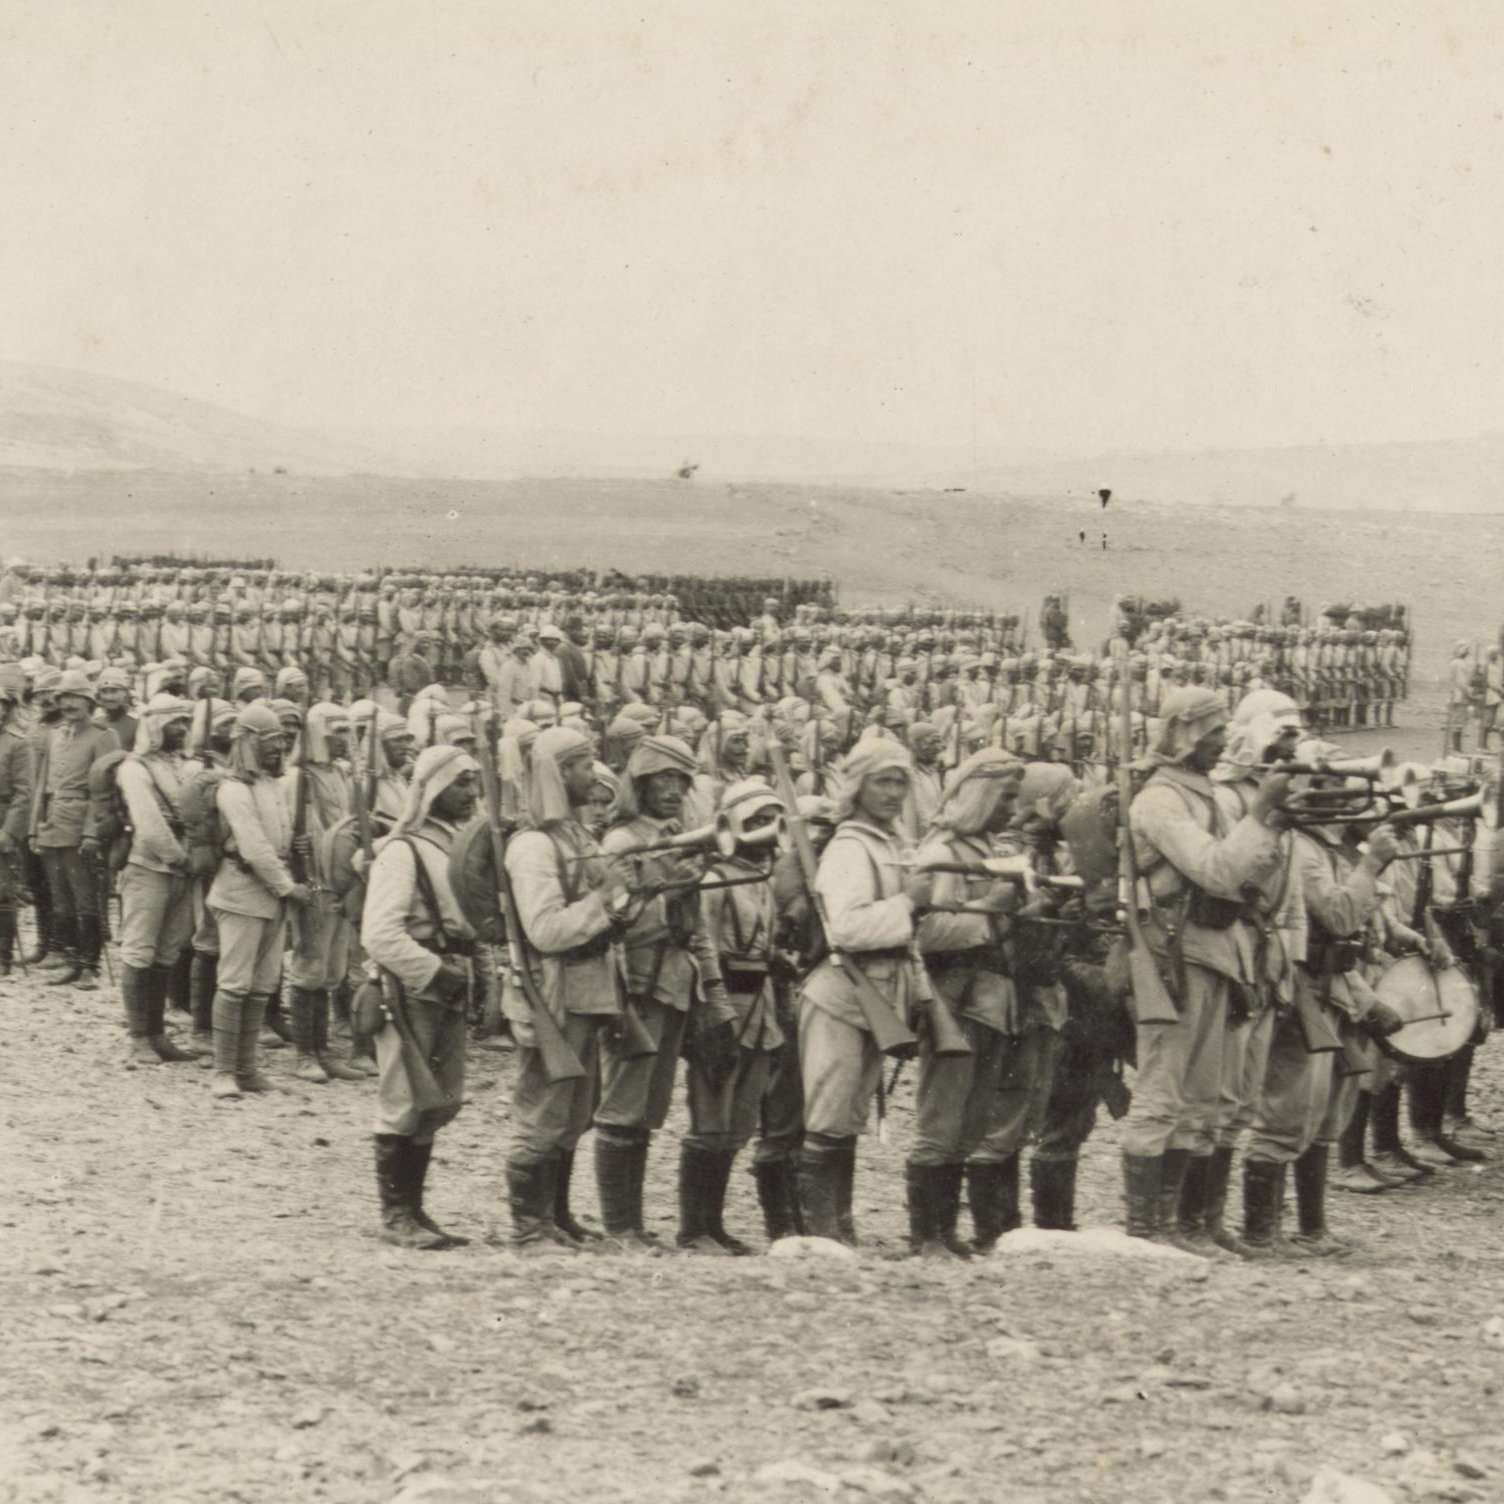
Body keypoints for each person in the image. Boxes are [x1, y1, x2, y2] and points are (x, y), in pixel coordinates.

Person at [1120, 687, 1287, 1246]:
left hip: (1211, 950)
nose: (1223, 742)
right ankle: (1146, 1227)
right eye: (1213, 732)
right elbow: (1216, 870)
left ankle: (1175, 1223)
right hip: (1174, 954)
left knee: (1200, 1098)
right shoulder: (1159, 800)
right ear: (1185, 733)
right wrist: (1261, 815)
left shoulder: (1202, 795)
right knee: (1163, 1091)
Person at [597, 735, 737, 1249]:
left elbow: (695, 927)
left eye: (682, 780)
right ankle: (618, 1226)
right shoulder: (621, 842)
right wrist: (669, 894)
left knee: (648, 1110)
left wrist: (713, 992)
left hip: (674, 982)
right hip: (635, 982)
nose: (674, 790)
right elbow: (616, 920)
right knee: (622, 1104)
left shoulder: (676, 837)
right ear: (639, 784)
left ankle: (632, 1225)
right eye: (662, 779)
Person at [501, 726, 633, 1252]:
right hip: (554, 990)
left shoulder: (575, 836)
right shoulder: (534, 844)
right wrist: (603, 899)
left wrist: (624, 895)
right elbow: (546, 930)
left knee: (578, 1108)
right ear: (557, 775)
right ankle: (529, 1226)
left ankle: (555, 1216)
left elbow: (604, 905)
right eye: (580, 766)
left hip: (587, 987)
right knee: (544, 1107)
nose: (591, 776)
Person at [795, 740, 931, 1243]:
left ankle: (840, 1224)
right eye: (883, 782)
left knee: (849, 1113)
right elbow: (845, 930)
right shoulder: (851, 847)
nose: (894, 793)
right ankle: (821, 1229)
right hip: (842, 993)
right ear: (858, 787)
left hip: (878, 991)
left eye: (901, 782)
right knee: (830, 1110)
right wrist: (909, 906)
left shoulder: (888, 843)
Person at [361, 744, 480, 1249]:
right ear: (431, 791)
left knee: (438, 1099)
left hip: (451, 979)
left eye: (474, 781)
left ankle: (416, 1209)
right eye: (459, 783)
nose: (471, 792)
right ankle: (396, 1215)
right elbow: (380, 934)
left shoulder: (463, 845)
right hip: (410, 987)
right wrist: (433, 972)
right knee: (403, 1097)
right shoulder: (402, 850)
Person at [908, 750, 1026, 1256]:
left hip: (989, 997)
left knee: (972, 1120)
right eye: (1005, 796)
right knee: (942, 1116)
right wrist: (991, 915)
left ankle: (945, 1232)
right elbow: (927, 928)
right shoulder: (944, 848)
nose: (1013, 808)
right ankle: (926, 1235)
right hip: (952, 996)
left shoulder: (984, 846)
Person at [681, 779, 788, 1253]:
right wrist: (714, 1008)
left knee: (740, 1120)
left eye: (772, 820)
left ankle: (714, 1224)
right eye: (757, 821)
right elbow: (701, 945)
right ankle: (694, 1228)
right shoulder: (715, 879)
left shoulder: (762, 876)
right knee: (711, 1114)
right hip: (724, 1005)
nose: (767, 831)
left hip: (759, 1007)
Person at [207, 703, 314, 1100]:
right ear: (248, 742)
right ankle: (223, 1071)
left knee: (262, 984)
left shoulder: (271, 786)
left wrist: (296, 848)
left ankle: (247, 1068)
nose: (278, 749)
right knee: (234, 983)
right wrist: (288, 888)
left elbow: (276, 839)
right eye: (269, 742)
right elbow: (253, 847)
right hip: (241, 893)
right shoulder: (234, 790)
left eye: (282, 742)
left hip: (272, 895)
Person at [282, 703, 367, 1084]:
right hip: (315, 877)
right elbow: (301, 830)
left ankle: (324, 1049)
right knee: (310, 966)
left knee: (333, 968)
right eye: (335, 735)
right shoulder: (298, 778)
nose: (342, 743)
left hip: (340, 876)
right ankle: (305, 1053)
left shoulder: (343, 775)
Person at [115, 694, 199, 1064]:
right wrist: (181, 858)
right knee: (139, 950)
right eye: (174, 722)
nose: (181, 729)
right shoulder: (135, 769)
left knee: (166, 951)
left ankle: (157, 1033)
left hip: (183, 870)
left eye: (185, 721)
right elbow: (149, 825)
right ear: (155, 726)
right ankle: (138, 1036)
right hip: (149, 867)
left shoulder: (184, 765)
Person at [29, 668, 118, 990]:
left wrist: (93, 831)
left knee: (85, 900)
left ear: (89, 701)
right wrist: (35, 826)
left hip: (82, 823)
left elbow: (104, 789)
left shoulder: (101, 735)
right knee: (61, 899)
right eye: (64, 697)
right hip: (53, 821)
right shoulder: (56, 735)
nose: (68, 704)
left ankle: (90, 966)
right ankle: (72, 958)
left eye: (76, 698)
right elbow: (42, 784)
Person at [0, 665, 32, 979]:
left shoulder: (17, 743)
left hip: (3, 815)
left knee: (2, 892)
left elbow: (24, 793)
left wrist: (9, 831)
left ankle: (3, 956)